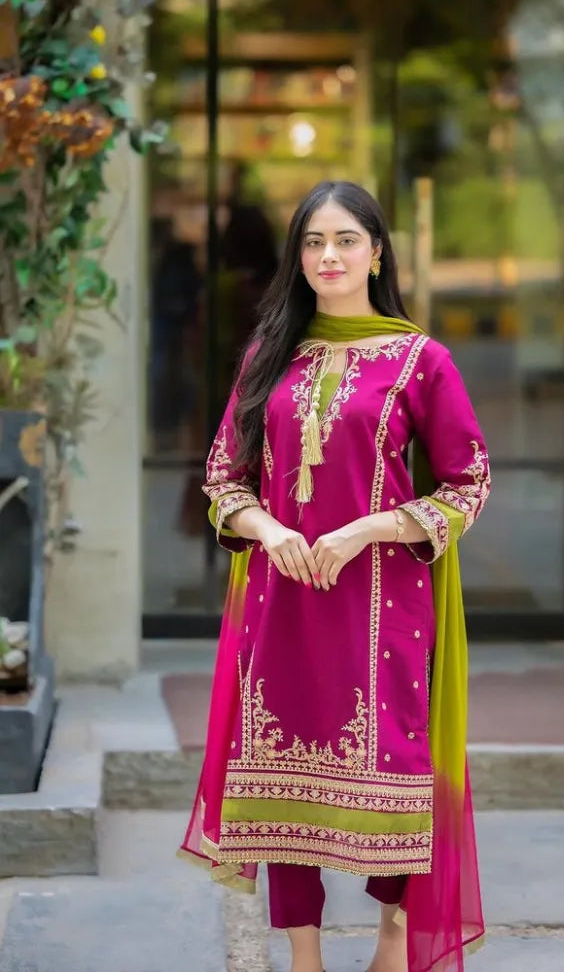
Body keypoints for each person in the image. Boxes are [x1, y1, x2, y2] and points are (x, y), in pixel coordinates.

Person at [179, 181, 491, 972]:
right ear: (298, 257)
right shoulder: (268, 355)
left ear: (377, 251)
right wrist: (269, 528)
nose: (329, 256)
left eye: (346, 240)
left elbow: (468, 482)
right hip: (282, 603)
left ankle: (393, 928)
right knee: (282, 785)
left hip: (383, 604)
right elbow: (223, 479)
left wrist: (369, 528)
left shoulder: (423, 361)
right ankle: (305, 958)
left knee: (394, 765)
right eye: (314, 242)